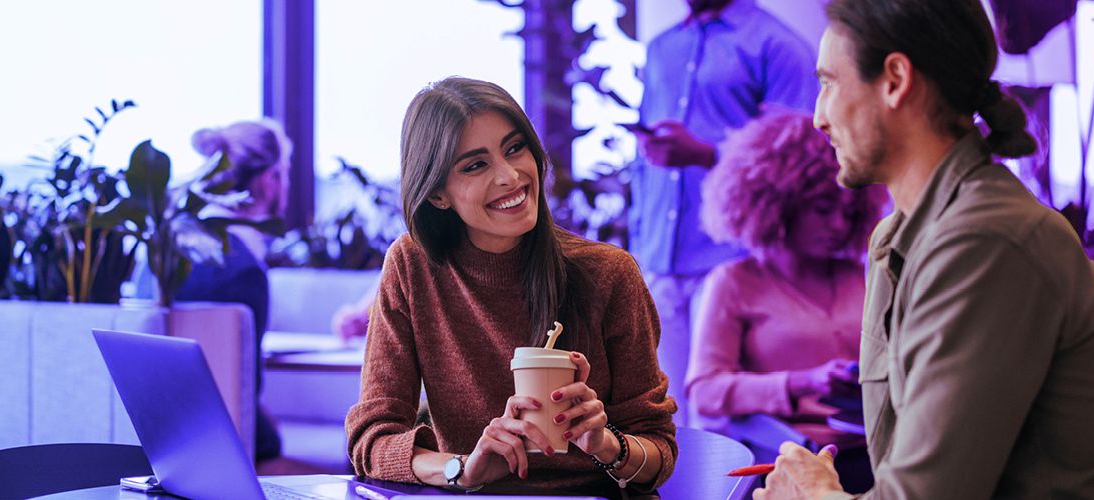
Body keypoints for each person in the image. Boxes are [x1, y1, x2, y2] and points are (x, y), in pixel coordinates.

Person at [758, 0, 1094, 497]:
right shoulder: (898, 240)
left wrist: (814, 494)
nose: (817, 116)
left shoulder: (987, 243)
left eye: (829, 82)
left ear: (896, 79)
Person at [345, 77, 676, 495]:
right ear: (438, 195)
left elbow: (659, 451)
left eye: (515, 148)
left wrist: (608, 444)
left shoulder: (609, 273)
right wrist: (462, 469)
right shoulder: (412, 267)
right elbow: (371, 438)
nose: (511, 176)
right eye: (475, 165)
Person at [629, 0, 820, 420]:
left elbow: (804, 161)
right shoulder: (662, 47)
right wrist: (639, 243)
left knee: (728, 420)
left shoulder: (779, 46)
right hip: (661, 262)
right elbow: (645, 163)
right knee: (666, 417)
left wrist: (705, 154)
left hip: (737, 263)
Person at [685, 109, 884, 493]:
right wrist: (800, 383)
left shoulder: (862, 273)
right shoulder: (734, 282)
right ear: (780, 203)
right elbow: (705, 392)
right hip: (784, 461)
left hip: (874, 454)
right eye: (824, 209)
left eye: (847, 211)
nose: (839, 225)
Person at [176, 119, 293, 461]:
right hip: (222, 440)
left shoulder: (167, 247)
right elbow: (243, 392)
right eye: (283, 172)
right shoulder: (242, 271)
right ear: (268, 180)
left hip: (163, 427)